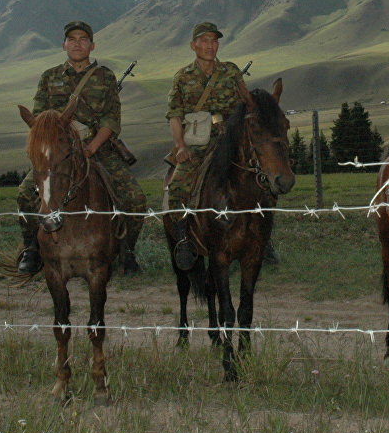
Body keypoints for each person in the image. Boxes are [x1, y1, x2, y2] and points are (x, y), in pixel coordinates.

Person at [17, 21, 147, 275]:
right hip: (58, 153)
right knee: (25, 194)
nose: (77, 44)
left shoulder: (105, 77)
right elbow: (38, 119)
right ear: (64, 45)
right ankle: (31, 247)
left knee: (135, 199)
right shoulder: (49, 77)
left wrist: (91, 148)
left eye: (83, 39)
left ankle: (127, 251)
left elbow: (111, 119)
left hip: (97, 148)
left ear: (92, 45)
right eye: (72, 39)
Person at [166, 21, 251, 270]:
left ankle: (261, 240)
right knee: (177, 186)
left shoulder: (231, 72)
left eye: (214, 41)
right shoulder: (183, 77)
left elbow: (246, 104)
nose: (210, 46)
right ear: (193, 46)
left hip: (230, 138)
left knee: (257, 178)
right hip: (197, 141)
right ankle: (183, 240)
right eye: (204, 41)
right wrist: (181, 146)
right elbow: (175, 115)